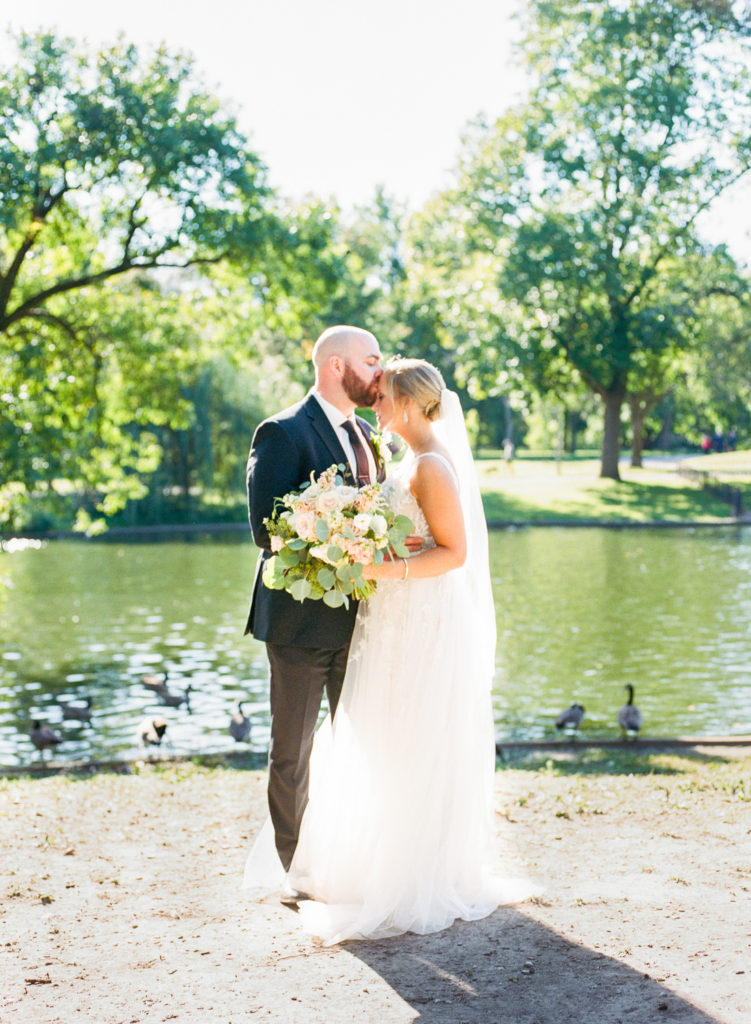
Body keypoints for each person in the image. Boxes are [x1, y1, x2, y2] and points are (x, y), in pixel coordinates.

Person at [245, 357, 537, 943]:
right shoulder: (403, 459)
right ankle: (370, 863)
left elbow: (453, 553)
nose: (373, 404)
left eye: (381, 396)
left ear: (404, 404)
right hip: (388, 617)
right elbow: (420, 533)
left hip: (420, 617)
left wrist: (381, 565)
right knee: (381, 736)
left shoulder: (430, 463)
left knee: (410, 739)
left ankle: (415, 873)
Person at [244, 325, 386, 880]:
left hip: (366, 623)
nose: (379, 372)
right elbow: (266, 529)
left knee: (368, 745)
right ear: (334, 366)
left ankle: (362, 859)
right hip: (300, 624)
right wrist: (339, 537)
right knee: (293, 754)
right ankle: (296, 869)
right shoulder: (281, 432)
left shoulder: (370, 436)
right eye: (371, 361)